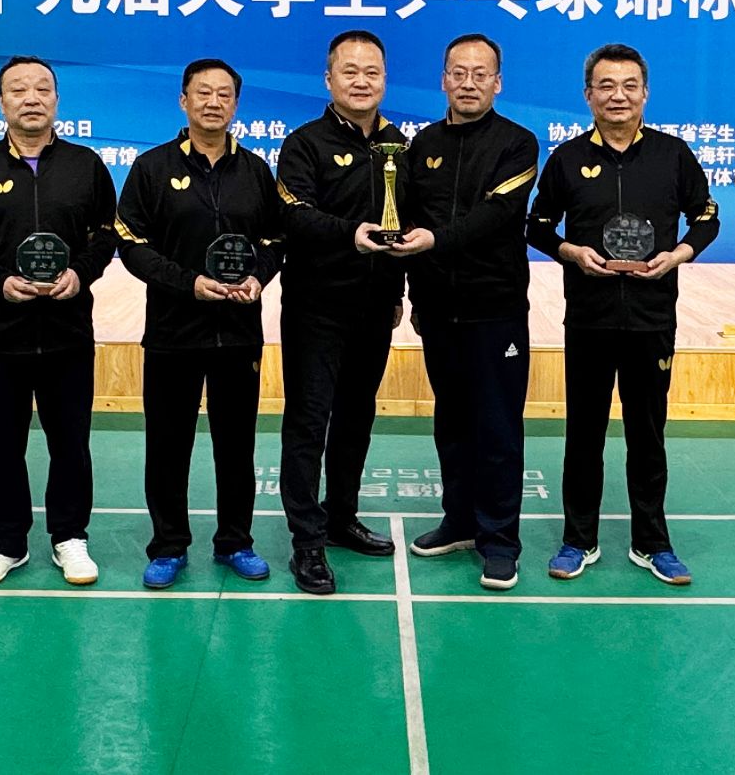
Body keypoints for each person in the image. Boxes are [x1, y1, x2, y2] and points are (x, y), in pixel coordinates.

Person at [527, 43, 718, 586]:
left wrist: (678, 255)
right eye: (606, 86)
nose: (618, 95)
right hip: (589, 318)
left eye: (629, 85)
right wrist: (570, 251)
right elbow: (537, 226)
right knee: (583, 434)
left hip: (652, 318)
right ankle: (578, 540)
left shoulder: (672, 154)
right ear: (588, 95)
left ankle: (652, 543)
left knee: (648, 434)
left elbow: (707, 217)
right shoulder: (567, 158)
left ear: (645, 93)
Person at [0, 55, 117, 588]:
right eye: (18, 89)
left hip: (67, 333)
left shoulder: (86, 165)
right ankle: (7, 542)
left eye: (42, 88)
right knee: (1, 446)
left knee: (70, 444)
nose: (31, 98)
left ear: (57, 100)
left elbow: (106, 234)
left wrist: (81, 274)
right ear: (1, 102)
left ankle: (70, 537)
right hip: (0, 335)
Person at [115, 58, 284, 589]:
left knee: (237, 446)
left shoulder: (255, 170)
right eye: (203, 92)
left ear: (236, 104)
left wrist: (258, 277)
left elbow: (275, 239)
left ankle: (235, 541)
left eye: (224, 94)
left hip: (238, 332)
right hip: (173, 331)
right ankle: (168, 545)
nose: (214, 102)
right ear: (183, 101)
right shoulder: (151, 168)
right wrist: (187, 283)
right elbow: (131, 243)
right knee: (168, 445)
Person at [392, 33, 541, 591]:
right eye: (459, 72)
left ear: (497, 83)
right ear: (443, 80)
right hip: (438, 310)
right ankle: (458, 521)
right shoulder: (422, 145)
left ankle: (499, 541)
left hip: (494, 310)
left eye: (481, 74)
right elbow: (408, 220)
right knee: (451, 423)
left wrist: (435, 240)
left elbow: (496, 215)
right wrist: (413, 292)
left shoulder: (518, 144)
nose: (469, 83)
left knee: (497, 428)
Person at [275, 30, 409, 595]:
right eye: (349, 71)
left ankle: (340, 516)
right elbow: (294, 215)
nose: (361, 81)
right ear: (328, 79)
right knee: (309, 423)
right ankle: (306, 541)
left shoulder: (398, 145)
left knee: (357, 418)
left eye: (371, 72)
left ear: (385, 79)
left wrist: (399, 290)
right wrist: (350, 235)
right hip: (317, 307)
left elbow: (403, 220)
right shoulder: (304, 144)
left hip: (375, 308)